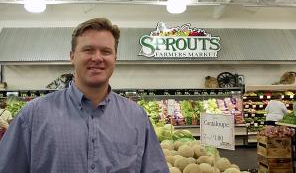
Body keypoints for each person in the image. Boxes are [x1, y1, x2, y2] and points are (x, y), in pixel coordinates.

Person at [0, 18, 169, 173]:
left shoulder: (137, 118)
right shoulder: (33, 115)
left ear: (115, 58)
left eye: (106, 51)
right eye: (88, 50)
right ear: (72, 57)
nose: (97, 58)